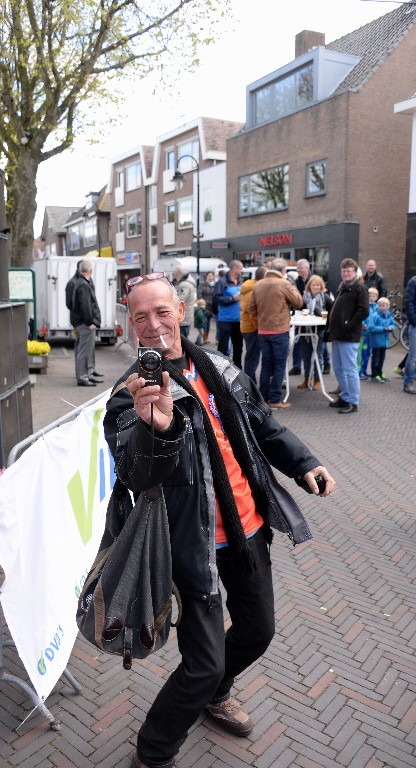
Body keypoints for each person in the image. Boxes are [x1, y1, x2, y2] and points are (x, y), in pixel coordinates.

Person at [104, 272, 335, 768]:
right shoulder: (130, 396)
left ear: (181, 312)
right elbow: (133, 472)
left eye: (162, 312)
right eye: (140, 316)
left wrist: (304, 462)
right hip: (190, 546)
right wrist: (157, 430)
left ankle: (216, 693)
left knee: (257, 631)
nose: (153, 324)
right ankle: (154, 750)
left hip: (248, 529)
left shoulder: (221, 368)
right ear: (130, 323)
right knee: (203, 665)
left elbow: (263, 425)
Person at [248, 258, 303, 409]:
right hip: (279, 330)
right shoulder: (284, 284)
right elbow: (298, 301)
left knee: (266, 364)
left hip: (263, 330)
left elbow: (251, 309)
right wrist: (292, 285)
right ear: (283, 270)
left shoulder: (258, 284)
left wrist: (262, 318)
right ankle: (275, 399)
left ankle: (263, 398)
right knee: (279, 365)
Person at [326, 258, 369, 413]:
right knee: (338, 368)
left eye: (348, 271)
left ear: (355, 272)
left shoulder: (360, 288)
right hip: (338, 335)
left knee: (349, 369)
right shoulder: (343, 287)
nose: (345, 273)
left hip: (349, 336)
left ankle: (352, 401)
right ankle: (345, 396)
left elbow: (364, 310)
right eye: (343, 271)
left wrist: (349, 324)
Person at [68, 259, 104, 387]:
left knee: (83, 350)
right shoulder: (83, 284)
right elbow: (85, 306)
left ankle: (86, 375)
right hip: (84, 324)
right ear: (90, 270)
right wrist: (90, 322)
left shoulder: (79, 282)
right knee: (84, 351)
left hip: (81, 323)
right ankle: (83, 377)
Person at [297, 275, 333, 390]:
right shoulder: (303, 297)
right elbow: (298, 310)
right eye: (313, 284)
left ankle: (317, 380)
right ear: (309, 286)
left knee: (318, 356)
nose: (315, 287)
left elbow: (331, 314)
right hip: (305, 330)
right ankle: (307, 379)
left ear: (321, 286)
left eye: (318, 285)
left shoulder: (326, 298)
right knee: (306, 357)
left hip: (320, 331)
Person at [213, 260, 243, 367]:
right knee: (223, 347)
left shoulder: (241, 281)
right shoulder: (221, 282)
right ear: (234, 268)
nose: (242, 270)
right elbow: (216, 299)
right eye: (241, 268)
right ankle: (220, 369)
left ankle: (238, 370)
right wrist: (232, 298)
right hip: (225, 320)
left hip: (239, 320)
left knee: (238, 347)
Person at [240, 265, 266, 384]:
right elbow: (252, 312)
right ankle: (250, 385)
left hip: (247, 327)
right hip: (252, 329)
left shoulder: (250, 287)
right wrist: (258, 328)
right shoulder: (253, 290)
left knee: (251, 357)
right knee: (252, 358)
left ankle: (250, 383)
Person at [288, 259, 311, 375]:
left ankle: (325, 364)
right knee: (297, 340)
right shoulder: (296, 282)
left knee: (316, 340)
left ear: (307, 268)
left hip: (312, 315)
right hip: (299, 314)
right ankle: (297, 366)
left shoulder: (313, 280)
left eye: (301, 268)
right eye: (298, 268)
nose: (299, 270)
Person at [368, 297, 394, 382]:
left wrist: (391, 328)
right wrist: (384, 328)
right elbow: (371, 327)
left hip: (384, 341)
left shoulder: (389, 315)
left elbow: (392, 324)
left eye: (383, 305)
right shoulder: (375, 315)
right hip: (376, 341)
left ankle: (379, 373)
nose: (381, 307)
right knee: (375, 358)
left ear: (388, 306)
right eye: (379, 305)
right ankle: (374, 375)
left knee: (382, 359)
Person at [358, 288, 379, 380]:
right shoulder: (364, 305)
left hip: (372, 334)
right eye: (369, 295)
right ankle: (360, 372)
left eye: (373, 296)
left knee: (367, 354)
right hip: (364, 334)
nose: (371, 297)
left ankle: (364, 371)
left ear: (377, 297)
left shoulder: (377, 307)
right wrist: (363, 325)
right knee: (362, 354)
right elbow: (360, 316)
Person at [172, 268, 196, 338]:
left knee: (182, 339)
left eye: (175, 274)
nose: (174, 277)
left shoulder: (184, 285)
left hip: (184, 317)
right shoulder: (186, 283)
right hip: (186, 315)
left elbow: (181, 299)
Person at [402, 275, 416, 394]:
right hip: (415, 325)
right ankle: (408, 382)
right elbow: (408, 302)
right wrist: (413, 320)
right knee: (413, 356)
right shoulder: (413, 281)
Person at [198, 271, 216, 343]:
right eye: (209, 275)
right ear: (207, 276)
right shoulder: (203, 284)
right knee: (206, 322)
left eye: (211, 276)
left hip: (213, 307)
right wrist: (202, 302)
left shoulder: (216, 284)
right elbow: (199, 294)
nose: (210, 277)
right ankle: (205, 338)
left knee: (213, 323)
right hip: (205, 306)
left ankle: (216, 339)